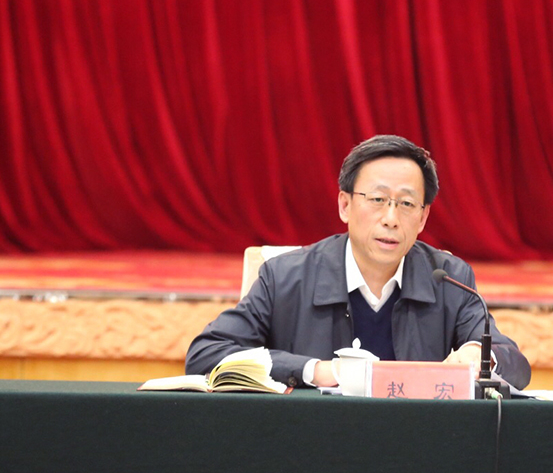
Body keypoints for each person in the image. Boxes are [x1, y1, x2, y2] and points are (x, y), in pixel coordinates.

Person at [185, 135, 531, 389]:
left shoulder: (449, 279)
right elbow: (206, 354)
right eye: (378, 199)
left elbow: (516, 365)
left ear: (423, 217)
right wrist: (315, 371)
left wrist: (478, 355)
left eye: (407, 204)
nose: (391, 219)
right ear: (345, 205)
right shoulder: (285, 277)